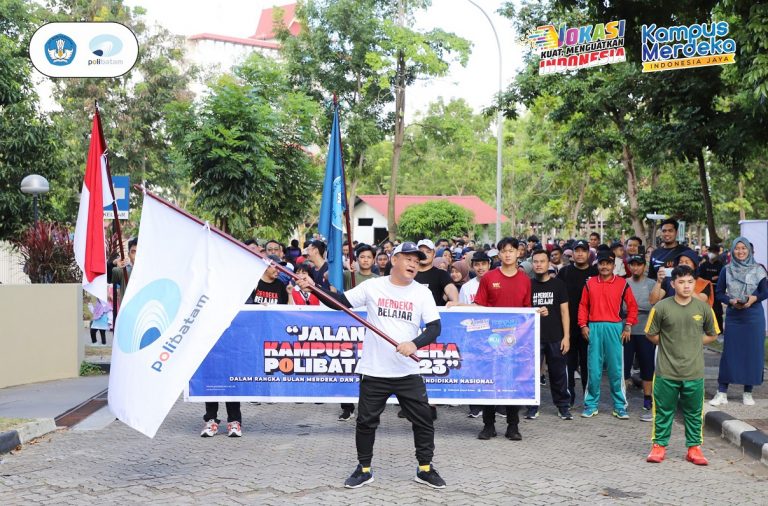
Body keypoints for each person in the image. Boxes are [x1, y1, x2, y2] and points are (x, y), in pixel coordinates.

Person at [297, 242, 446, 489]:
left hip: (407, 371)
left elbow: (434, 328)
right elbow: (340, 302)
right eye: (408, 258)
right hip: (374, 370)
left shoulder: (422, 293)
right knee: (366, 422)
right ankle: (364, 469)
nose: (413, 264)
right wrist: (314, 288)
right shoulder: (373, 286)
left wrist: (414, 343)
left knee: (423, 420)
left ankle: (425, 468)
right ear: (394, 259)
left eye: (417, 261)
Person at [202, 255, 289, 438]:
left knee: (232, 379)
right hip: (214, 339)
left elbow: (249, 308)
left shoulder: (246, 286)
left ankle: (234, 421)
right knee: (212, 379)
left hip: (239, 339)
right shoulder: (210, 286)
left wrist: (258, 308)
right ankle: (211, 420)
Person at [645, 265, 719, 466]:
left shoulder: (703, 308)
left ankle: (694, 448)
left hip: (693, 372)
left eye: (690, 282)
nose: (686, 286)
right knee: (663, 410)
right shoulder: (661, 307)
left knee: (694, 412)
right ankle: (659, 446)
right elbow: (650, 333)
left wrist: (694, 342)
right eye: (681, 282)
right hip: (666, 371)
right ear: (673, 284)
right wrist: (668, 343)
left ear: (695, 283)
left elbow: (713, 334)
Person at [473, 237, 531, 441]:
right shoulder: (489, 278)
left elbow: (527, 312)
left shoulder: (525, 279)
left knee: (512, 382)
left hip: (516, 340)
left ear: (518, 253)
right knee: (491, 381)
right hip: (491, 340)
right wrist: (458, 306)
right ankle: (488, 425)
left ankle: (513, 426)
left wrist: (537, 313)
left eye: (511, 250)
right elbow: (479, 306)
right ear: (498, 254)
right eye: (504, 251)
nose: (508, 254)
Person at [578, 250, 638, 419]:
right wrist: (583, 325)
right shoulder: (590, 283)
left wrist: (628, 326)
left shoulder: (622, 284)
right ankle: (591, 405)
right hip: (594, 327)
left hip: (614, 328)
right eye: (601, 263)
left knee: (616, 369)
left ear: (614, 265)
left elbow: (632, 306)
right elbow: (583, 306)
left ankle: (619, 406)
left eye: (608, 263)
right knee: (594, 369)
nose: (604, 266)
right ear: (597, 265)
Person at [710, 237, 768, 407]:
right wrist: (731, 301)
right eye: (737, 248)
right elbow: (719, 292)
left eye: (744, 248)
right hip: (735, 316)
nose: (741, 251)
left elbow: (765, 292)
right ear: (732, 250)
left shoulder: (758, 269)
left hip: (753, 316)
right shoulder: (726, 270)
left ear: (749, 251)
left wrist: (753, 299)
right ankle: (722, 392)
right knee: (729, 353)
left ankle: (748, 392)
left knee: (752, 353)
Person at [526, 249, 572, 421]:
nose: (538, 264)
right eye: (535, 261)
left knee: (558, 373)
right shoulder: (527, 285)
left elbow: (564, 312)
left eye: (542, 261)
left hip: (555, 337)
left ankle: (563, 407)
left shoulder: (558, 285)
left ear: (548, 263)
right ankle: (532, 406)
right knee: (532, 374)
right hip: (533, 338)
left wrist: (566, 337)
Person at [557, 240, 597, 407]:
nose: (580, 254)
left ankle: (590, 399)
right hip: (568, 327)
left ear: (589, 253)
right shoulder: (564, 272)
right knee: (569, 365)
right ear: (572, 253)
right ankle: (569, 398)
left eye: (583, 251)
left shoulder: (596, 273)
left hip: (591, 327)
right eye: (577, 251)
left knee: (589, 366)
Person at [623, 255, 657, 421]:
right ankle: (621, 399)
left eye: (639, 265)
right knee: (623, 366)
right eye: (633, 265)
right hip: (626, 330)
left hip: (645, 331)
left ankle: (647, 398)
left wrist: (636, 308)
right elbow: (622, 306)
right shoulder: (624, 282)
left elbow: (654, 304)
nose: (635, 268)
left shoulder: (651, 283)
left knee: (647, 366)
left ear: (644, 266)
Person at [415, 239, 458, 307]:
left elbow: (450, 288)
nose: (424, 254)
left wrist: (455, 301)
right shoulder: (410, 273)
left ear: (434, 254)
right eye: (421, 251)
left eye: (428, 252)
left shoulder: (441, 274)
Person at [698, 244, 724, 331]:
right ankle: (704, 328)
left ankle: (719, 329)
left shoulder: (721, 266)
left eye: (714, 252)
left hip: (716, 290)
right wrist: (711, 278)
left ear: (717, 253)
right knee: (703, 309)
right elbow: (699, 277)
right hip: (705, 290)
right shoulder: (703, 265)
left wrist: (712, 278)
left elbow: (721, 277)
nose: (712, 254)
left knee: (717, 310)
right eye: (710, 252)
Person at [112, 237, 137, 306]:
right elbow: (110, 273)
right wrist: (115, 262)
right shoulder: (124, 271)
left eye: (139, 251)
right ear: (129, 254)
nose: (136, 255)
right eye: (133, 252)